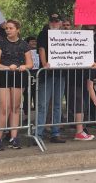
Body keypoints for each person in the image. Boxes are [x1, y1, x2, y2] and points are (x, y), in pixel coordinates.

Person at [0, 20, 33, 149]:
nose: (8, 30)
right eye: (6, 28)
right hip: (3, 76)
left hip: (18, 77)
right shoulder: (0, 42)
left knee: (15, 108)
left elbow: (30, 64)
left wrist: (22, 67)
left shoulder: (24, 44)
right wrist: (7, 67)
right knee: (4, 108)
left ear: (17, 30)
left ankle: (13, 137)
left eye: (11, 28)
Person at [35, 14, 67, 143]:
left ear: (60, 23)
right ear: (49, 22)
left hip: (61, 73)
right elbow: (41, 49)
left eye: (57, 21)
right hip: (47, 73)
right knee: (43, 104)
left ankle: (55, 132)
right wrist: (44, 64)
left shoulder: (65, 35)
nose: (54, 23)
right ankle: (38, 134)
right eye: (52, 21)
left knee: (58, 104)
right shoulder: (43, 33)